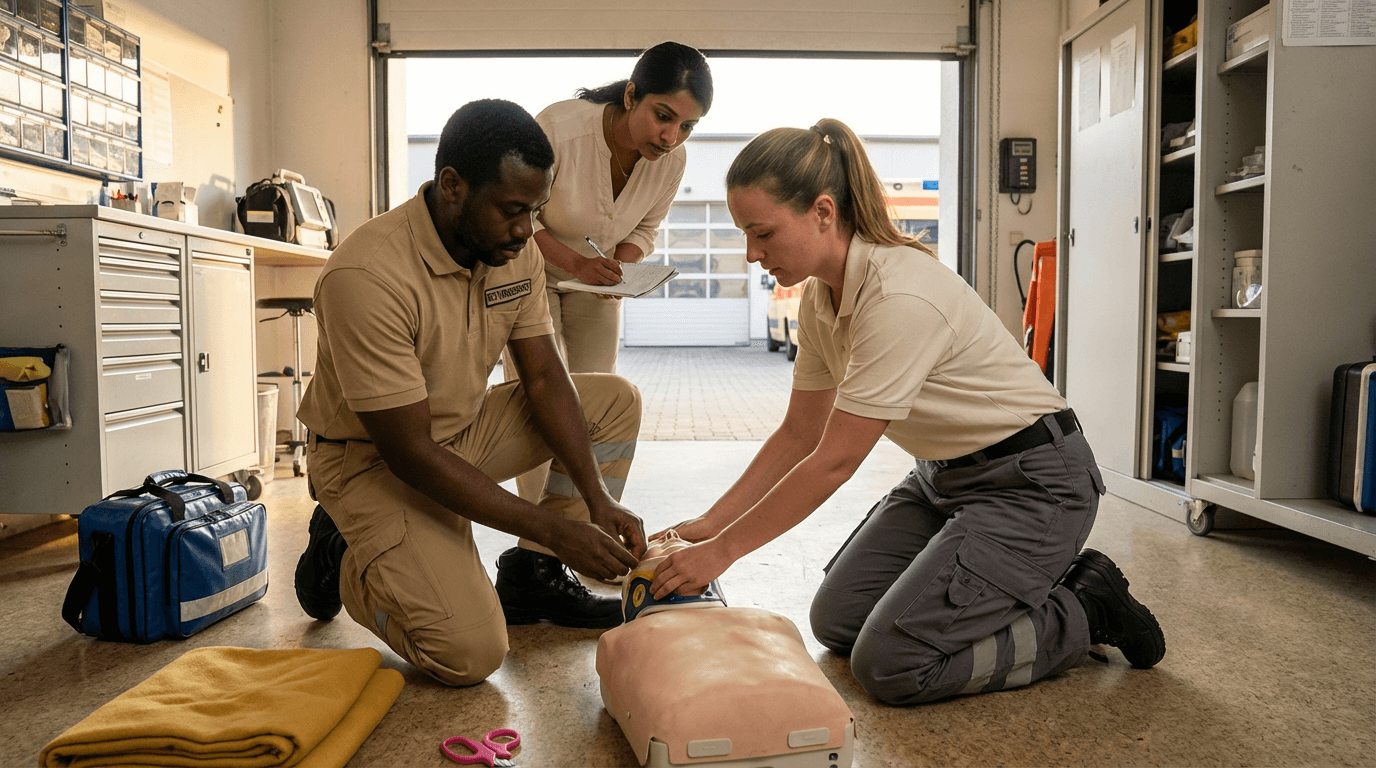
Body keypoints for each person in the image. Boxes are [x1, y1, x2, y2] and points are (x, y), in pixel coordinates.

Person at [648, 118, 1166, 705]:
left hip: (1034, 487)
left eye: (762, 233)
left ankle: (1084, 608)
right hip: (943, 479)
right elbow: (798, 434)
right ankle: (1009, 585)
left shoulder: (898, 296)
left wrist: (722, 553)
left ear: (823, 211)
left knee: (892, 665)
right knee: (838, 621)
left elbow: (835, 461)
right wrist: (709, 526)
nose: (750, 254)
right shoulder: (822, 296)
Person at [292, 99, 648, 687]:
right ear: (452, 186)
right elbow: (408, 452)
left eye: (535, 211)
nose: (525, 230)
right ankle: (345, 560)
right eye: (512, 210)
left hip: (462, 431)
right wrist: (555, 524)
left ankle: (535, 573)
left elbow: (542, 376)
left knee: (613, 401)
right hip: (373, 462)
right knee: (469, 655)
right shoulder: (367, 277)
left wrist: (595, 501)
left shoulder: (514, 249)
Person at [508, 41, 713, 507]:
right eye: (663, 116)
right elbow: (519, 217)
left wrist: (624, 264)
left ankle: (583, 522)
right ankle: (539, 539)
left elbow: (645, 226)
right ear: (630, 96)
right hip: (529, 270)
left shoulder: (672, 162)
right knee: (535, 398)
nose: (671, 137)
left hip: (594, 283)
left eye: (687, 126)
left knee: (595, 402)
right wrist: (576, 262)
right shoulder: (560, 128)